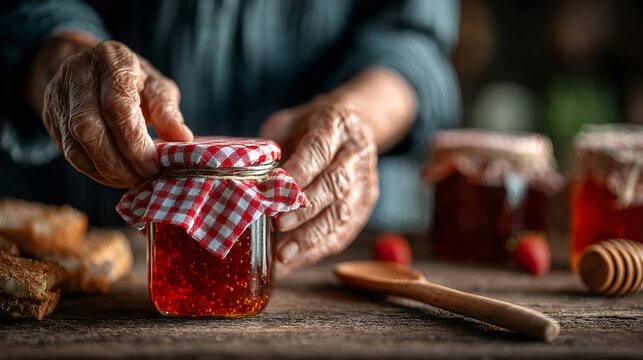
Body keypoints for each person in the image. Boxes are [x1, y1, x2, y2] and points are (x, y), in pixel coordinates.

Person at [0, 0, 460, 276]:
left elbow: (413, 40)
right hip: (67, 208)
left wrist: (354, 114)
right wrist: (62, 55)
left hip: (335, 253)